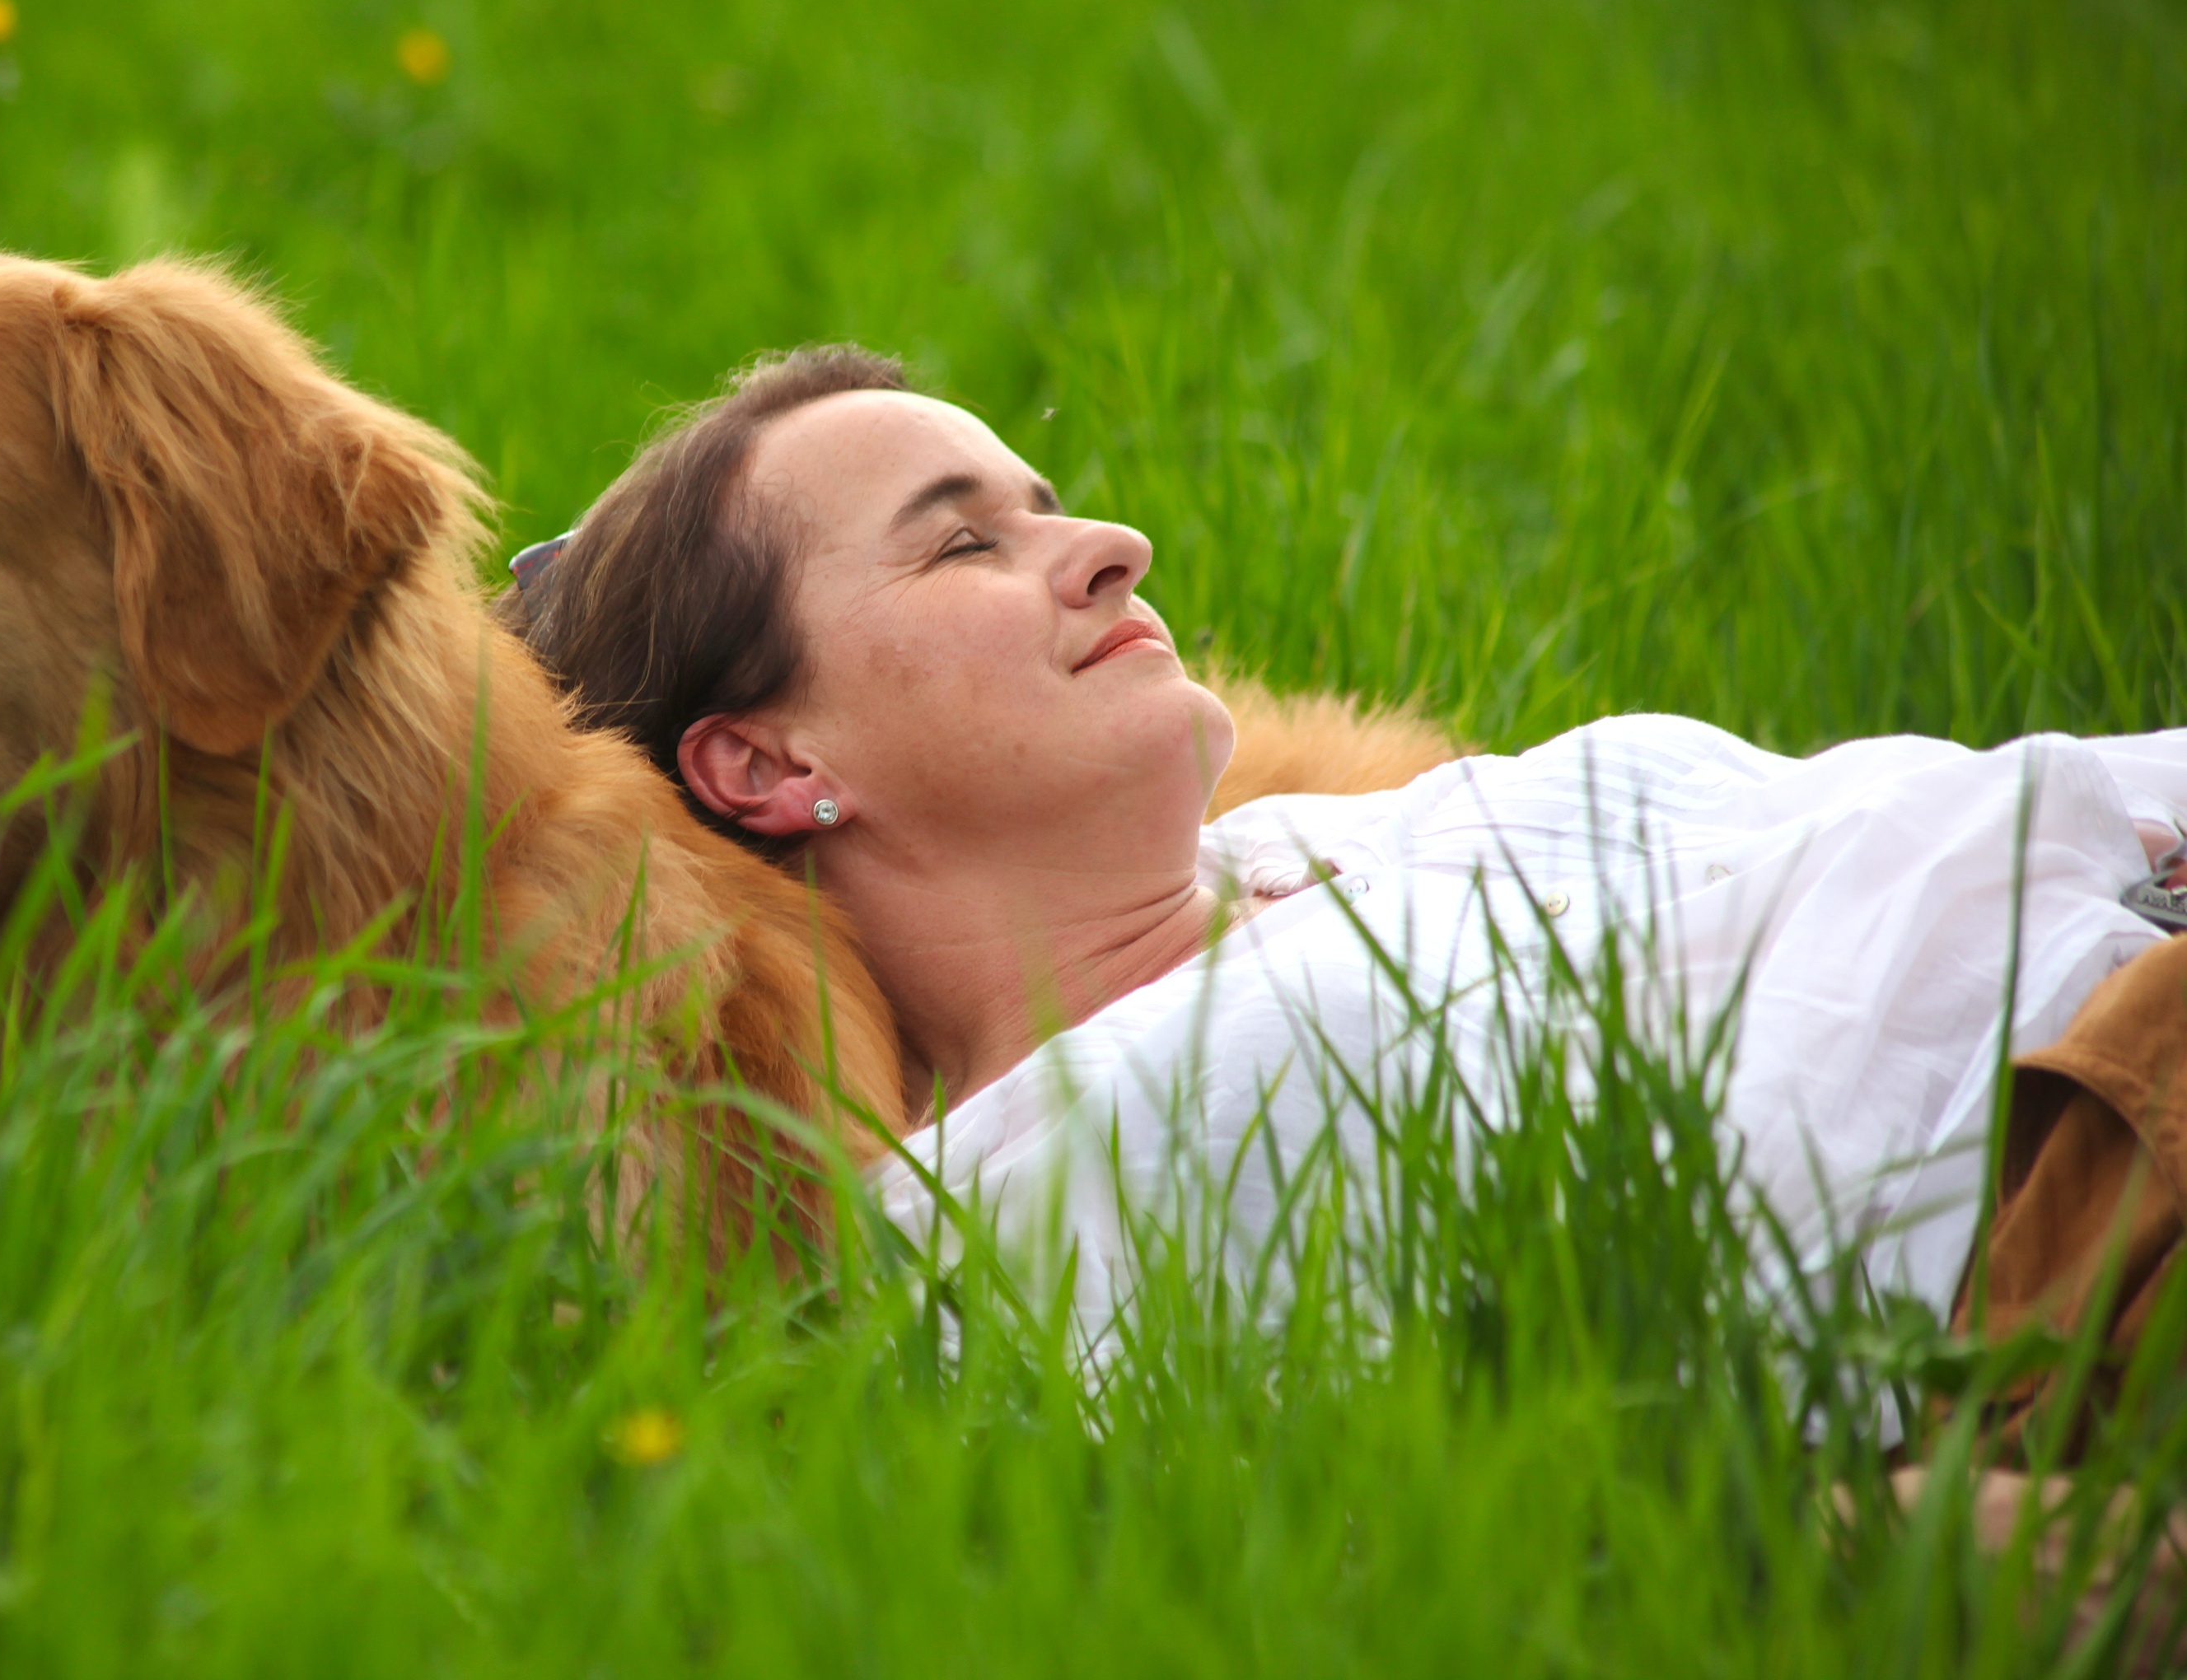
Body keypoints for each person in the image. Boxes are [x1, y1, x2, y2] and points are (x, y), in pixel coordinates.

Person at [502, 346, 2187, 1427]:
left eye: (1047, 504)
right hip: (2092, 1171)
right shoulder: (1026, 1200)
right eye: (962, 543)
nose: (1107, 546)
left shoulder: (1338, 846)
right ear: (767, 769)